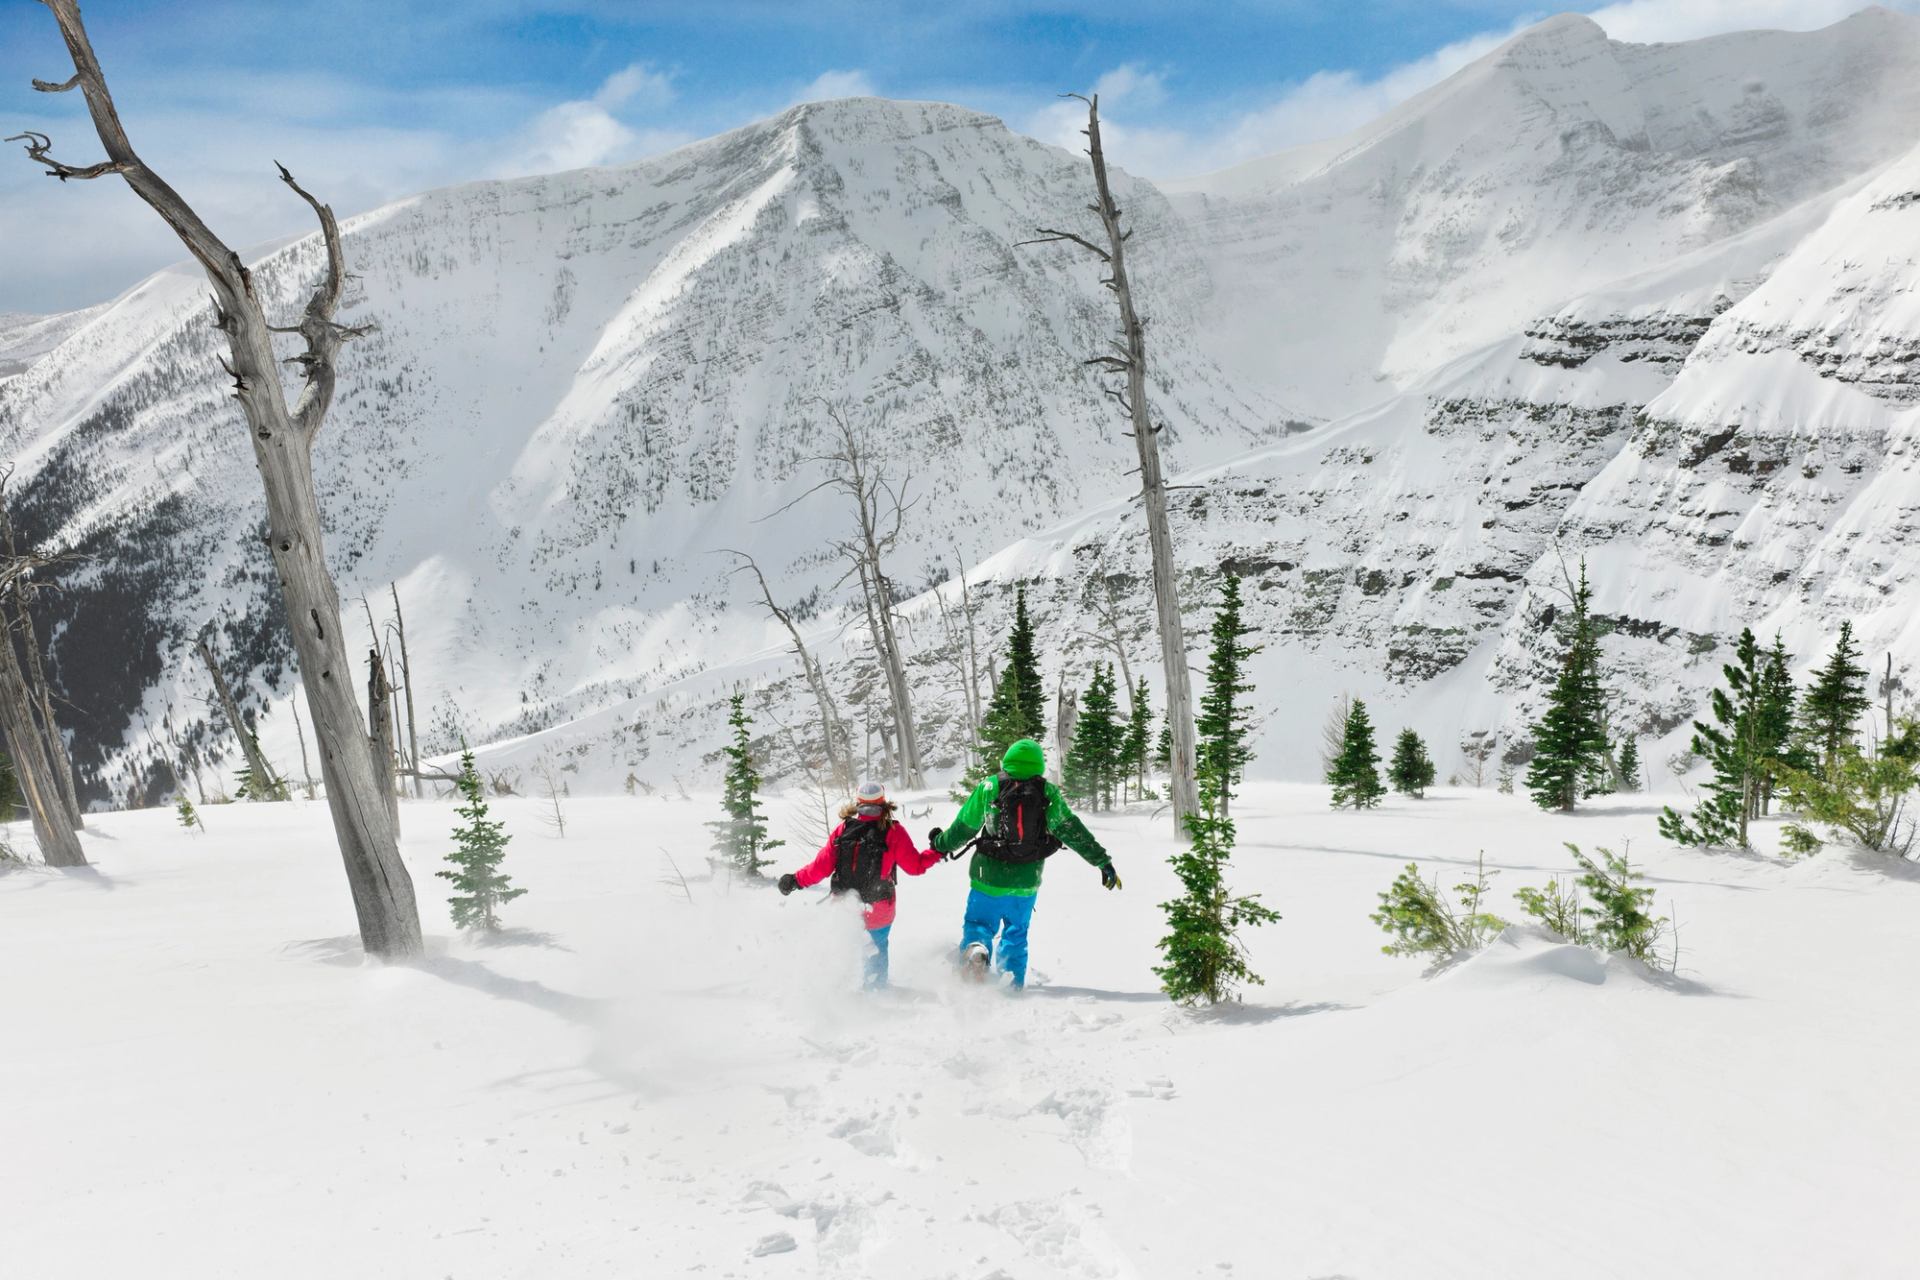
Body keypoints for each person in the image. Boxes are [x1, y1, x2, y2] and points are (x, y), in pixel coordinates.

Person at [929, 738, 1120, 990]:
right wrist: (1102, 861)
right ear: (1038, 765)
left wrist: (939, 843)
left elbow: (964, 827)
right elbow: (1073, 831)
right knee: (1016, 934)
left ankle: (976, 952)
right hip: (1026, 882)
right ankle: (1012, 985)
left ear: (1006, 761)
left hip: (987, 876)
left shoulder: (989, 787)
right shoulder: (1047, 793)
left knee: (978, 925)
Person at [778, 780, 941, 989]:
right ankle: (875, 996)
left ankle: (834, 995)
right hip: (878, 909)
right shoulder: (893, 831)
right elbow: (915, 866)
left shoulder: (843, 829)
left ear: (858, 802)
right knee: (875, 950)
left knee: (842, 952)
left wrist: (795, 880)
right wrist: (937, 851)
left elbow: (820, 867)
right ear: (883, 802)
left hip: (845, 910)